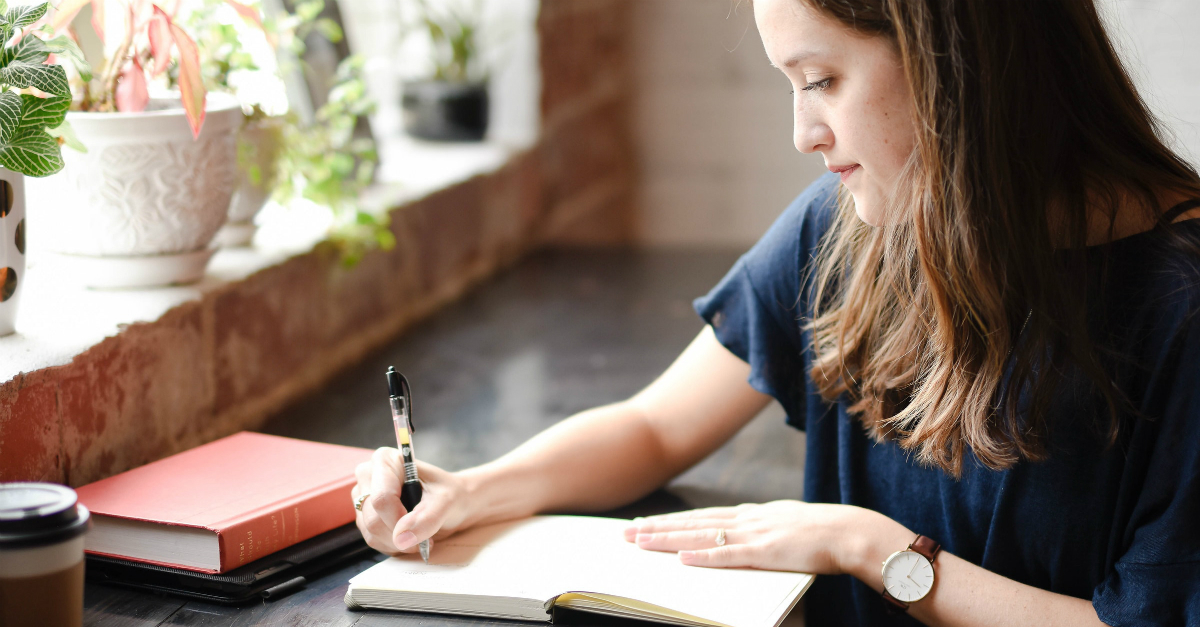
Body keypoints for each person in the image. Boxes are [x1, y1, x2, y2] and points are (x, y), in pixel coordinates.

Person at [353, 0, 1200, 624]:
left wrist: (872, 549)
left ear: (956, 56)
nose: (804, 132)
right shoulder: (852, 226)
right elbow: (655, 426)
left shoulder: (1183, 308)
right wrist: (471, 491)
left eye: (823, 80)